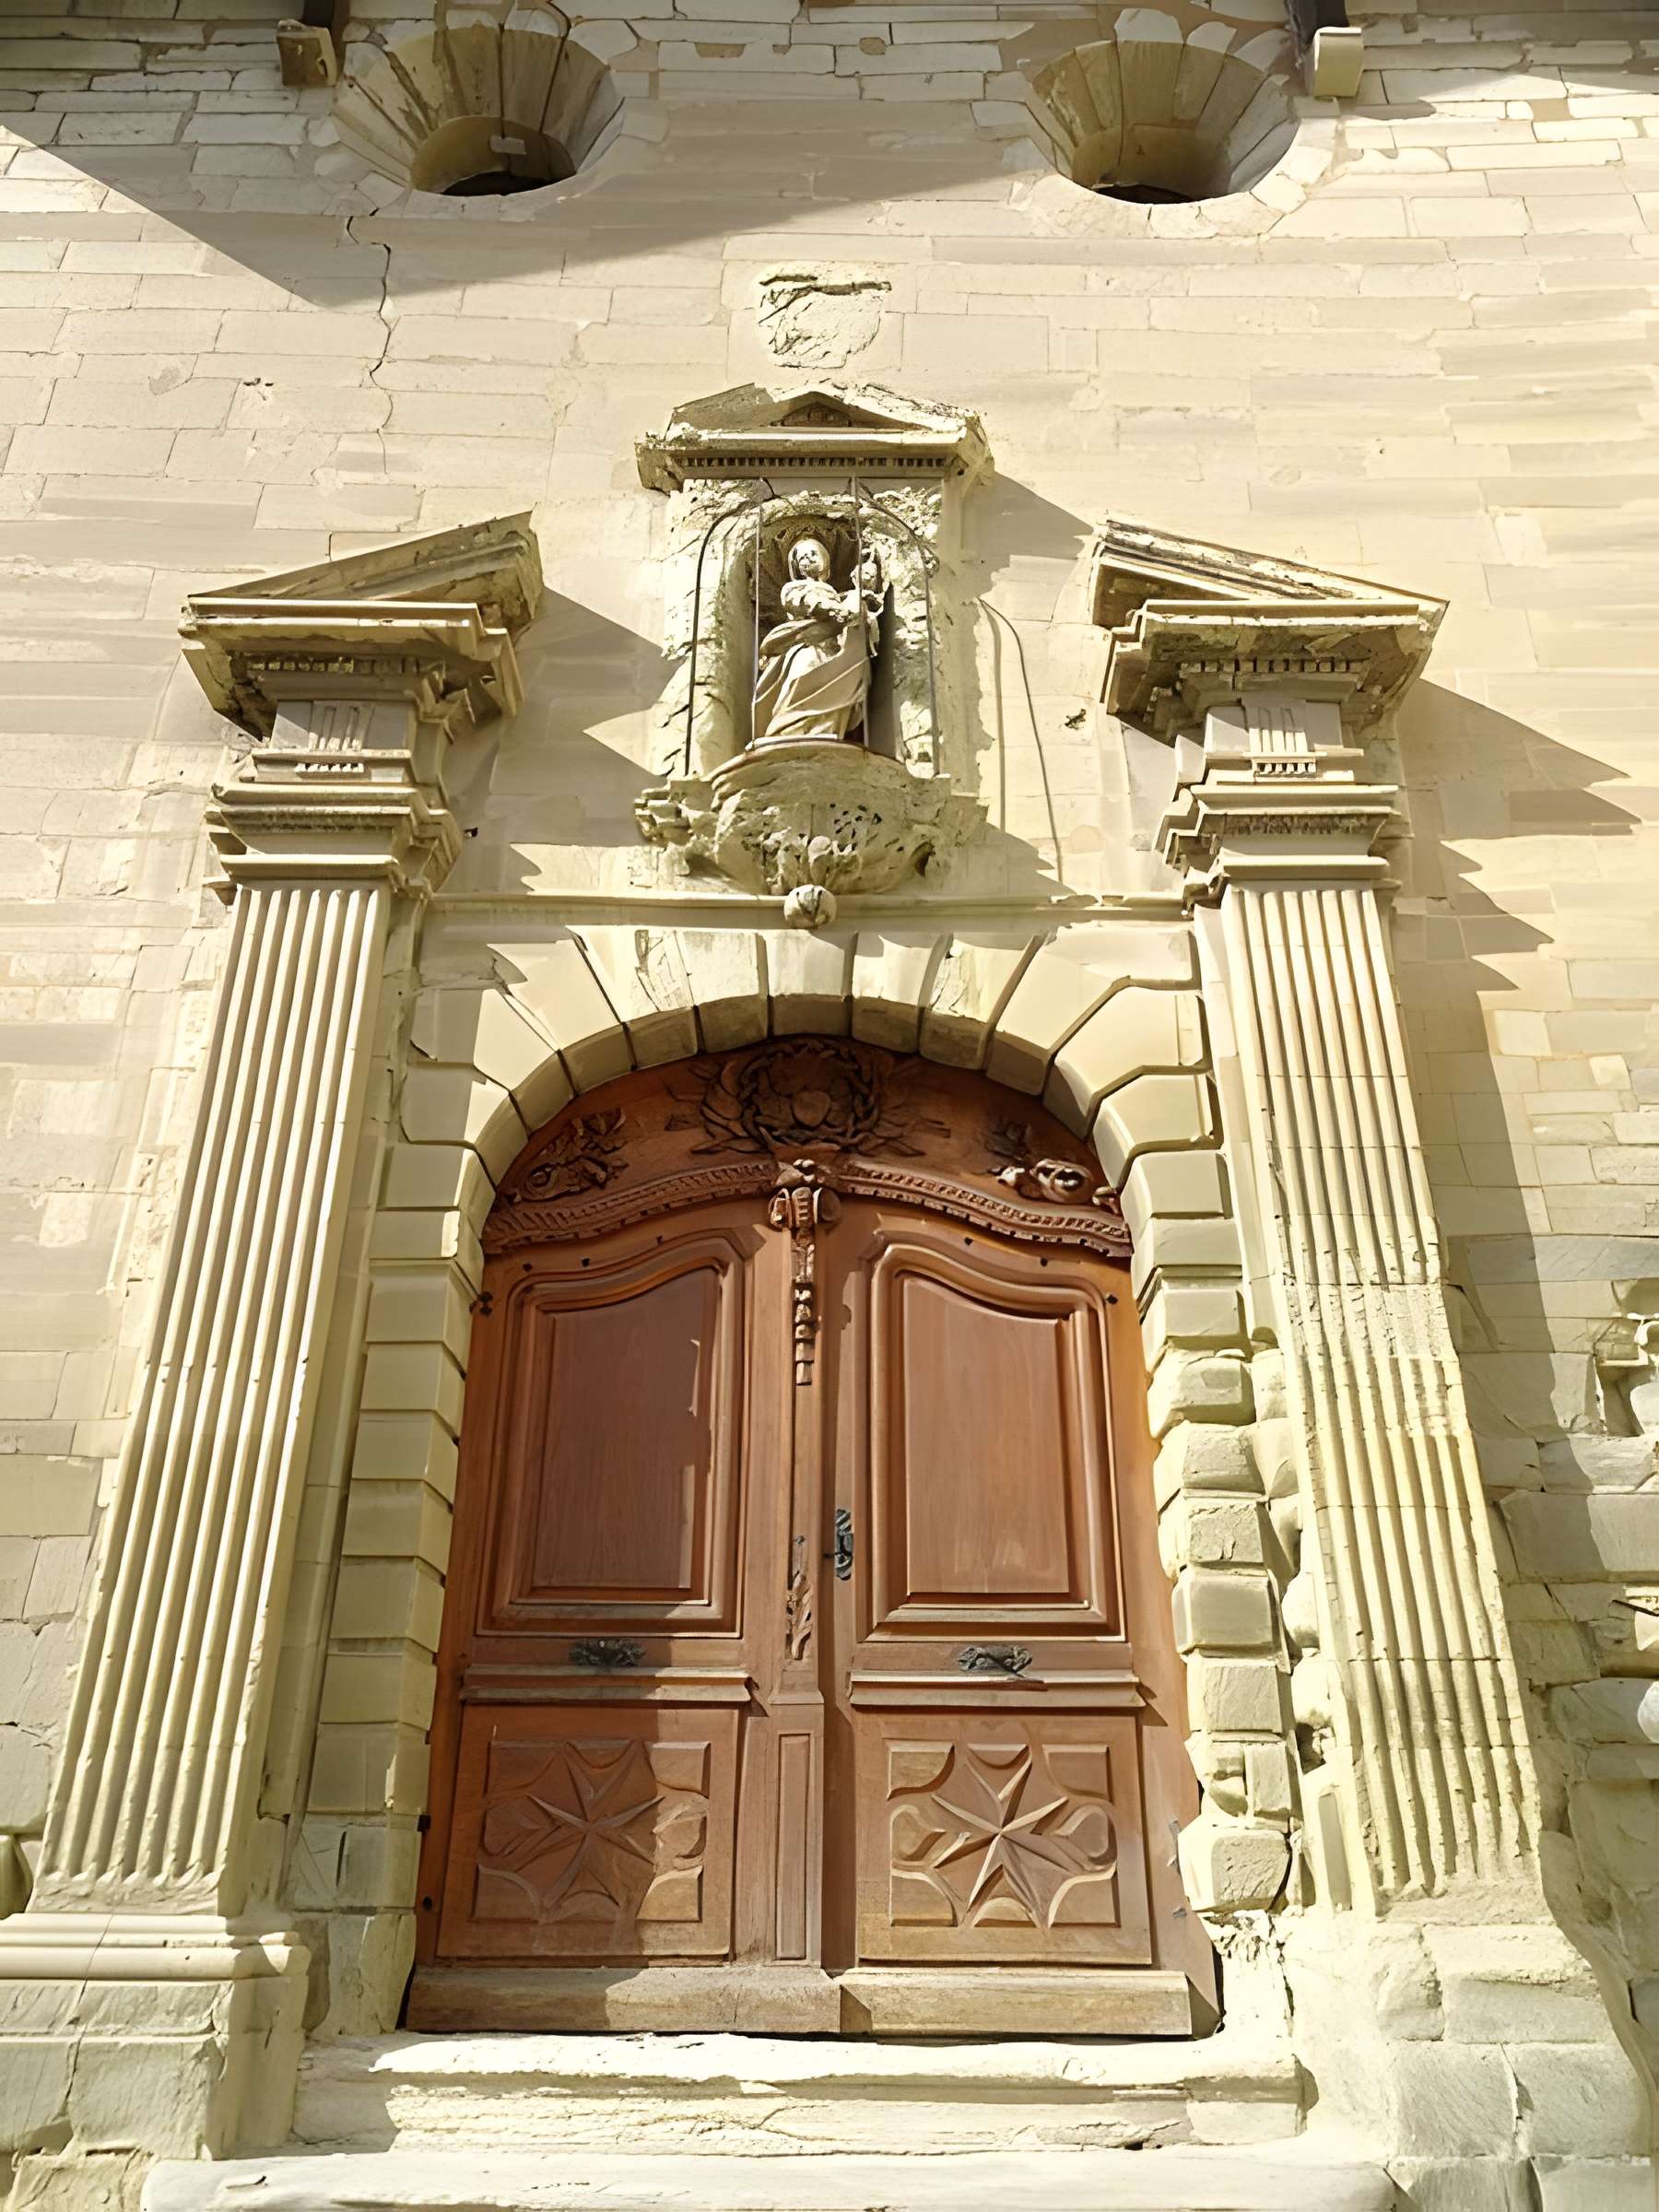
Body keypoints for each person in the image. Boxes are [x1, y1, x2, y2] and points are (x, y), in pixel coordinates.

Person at [752, 534, 883, 746]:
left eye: (813, 554)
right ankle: (789, 730)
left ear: (825, 560)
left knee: (840, 682)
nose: (808, 559)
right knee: (804, 674)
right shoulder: (794, 588)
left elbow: (854, 613)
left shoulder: (837, 594)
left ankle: (825, 728)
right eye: (802, 557)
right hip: (808, 644)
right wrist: (833, 609)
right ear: (797, 566)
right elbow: (805, 601)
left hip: (834, 649)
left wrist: (859, 593)